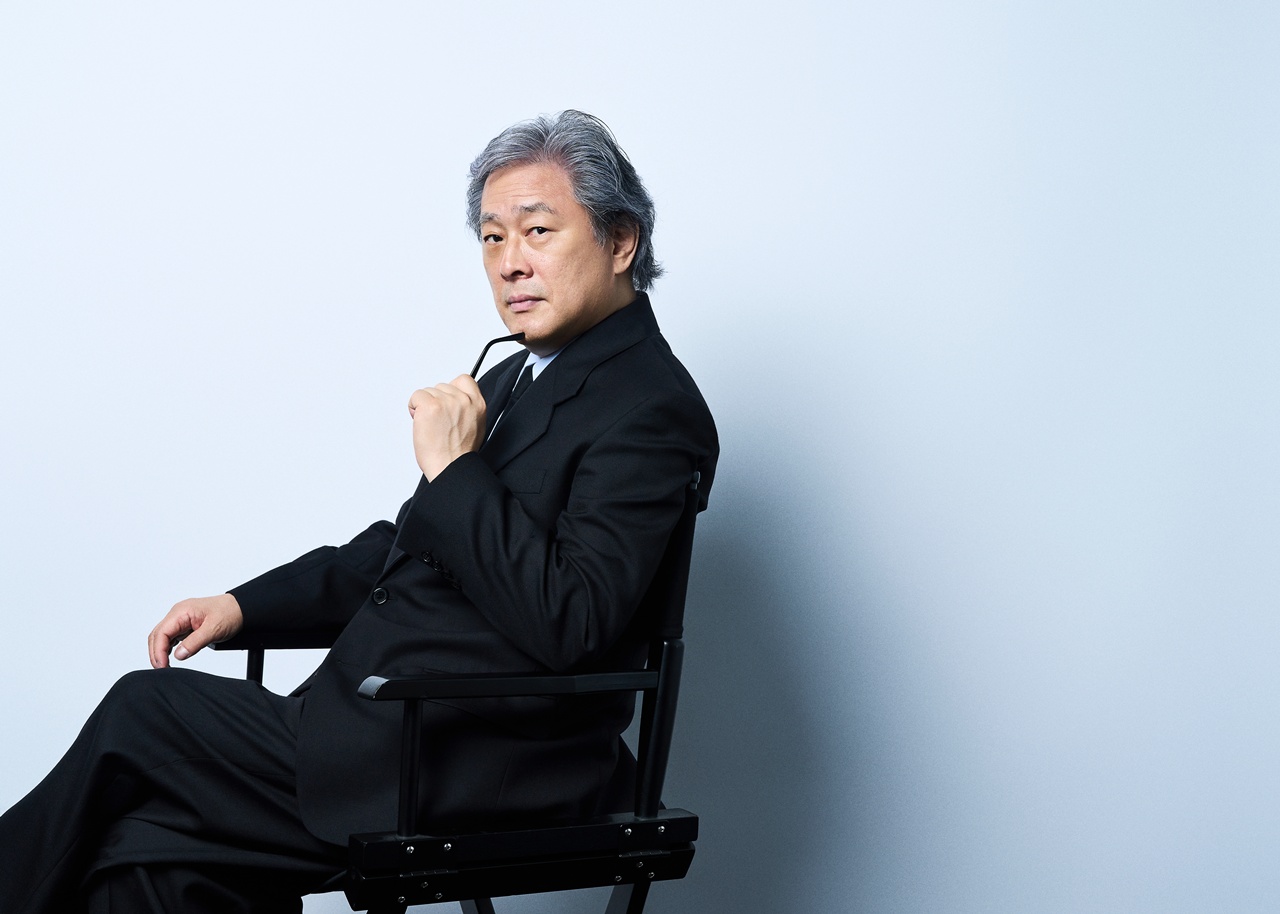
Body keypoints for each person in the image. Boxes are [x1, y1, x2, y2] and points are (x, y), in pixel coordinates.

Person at [0, 109, 718, 913]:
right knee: (147, 866)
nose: (510, 263)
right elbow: (402, 550)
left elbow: (573, 622)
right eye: (491, 239)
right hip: (379, 725)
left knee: (144, 711)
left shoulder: (650, 407)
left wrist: (455, 469)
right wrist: (243, 606)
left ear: (620, 242)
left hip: (472, 755)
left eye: (538, 231)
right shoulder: (515, 378)